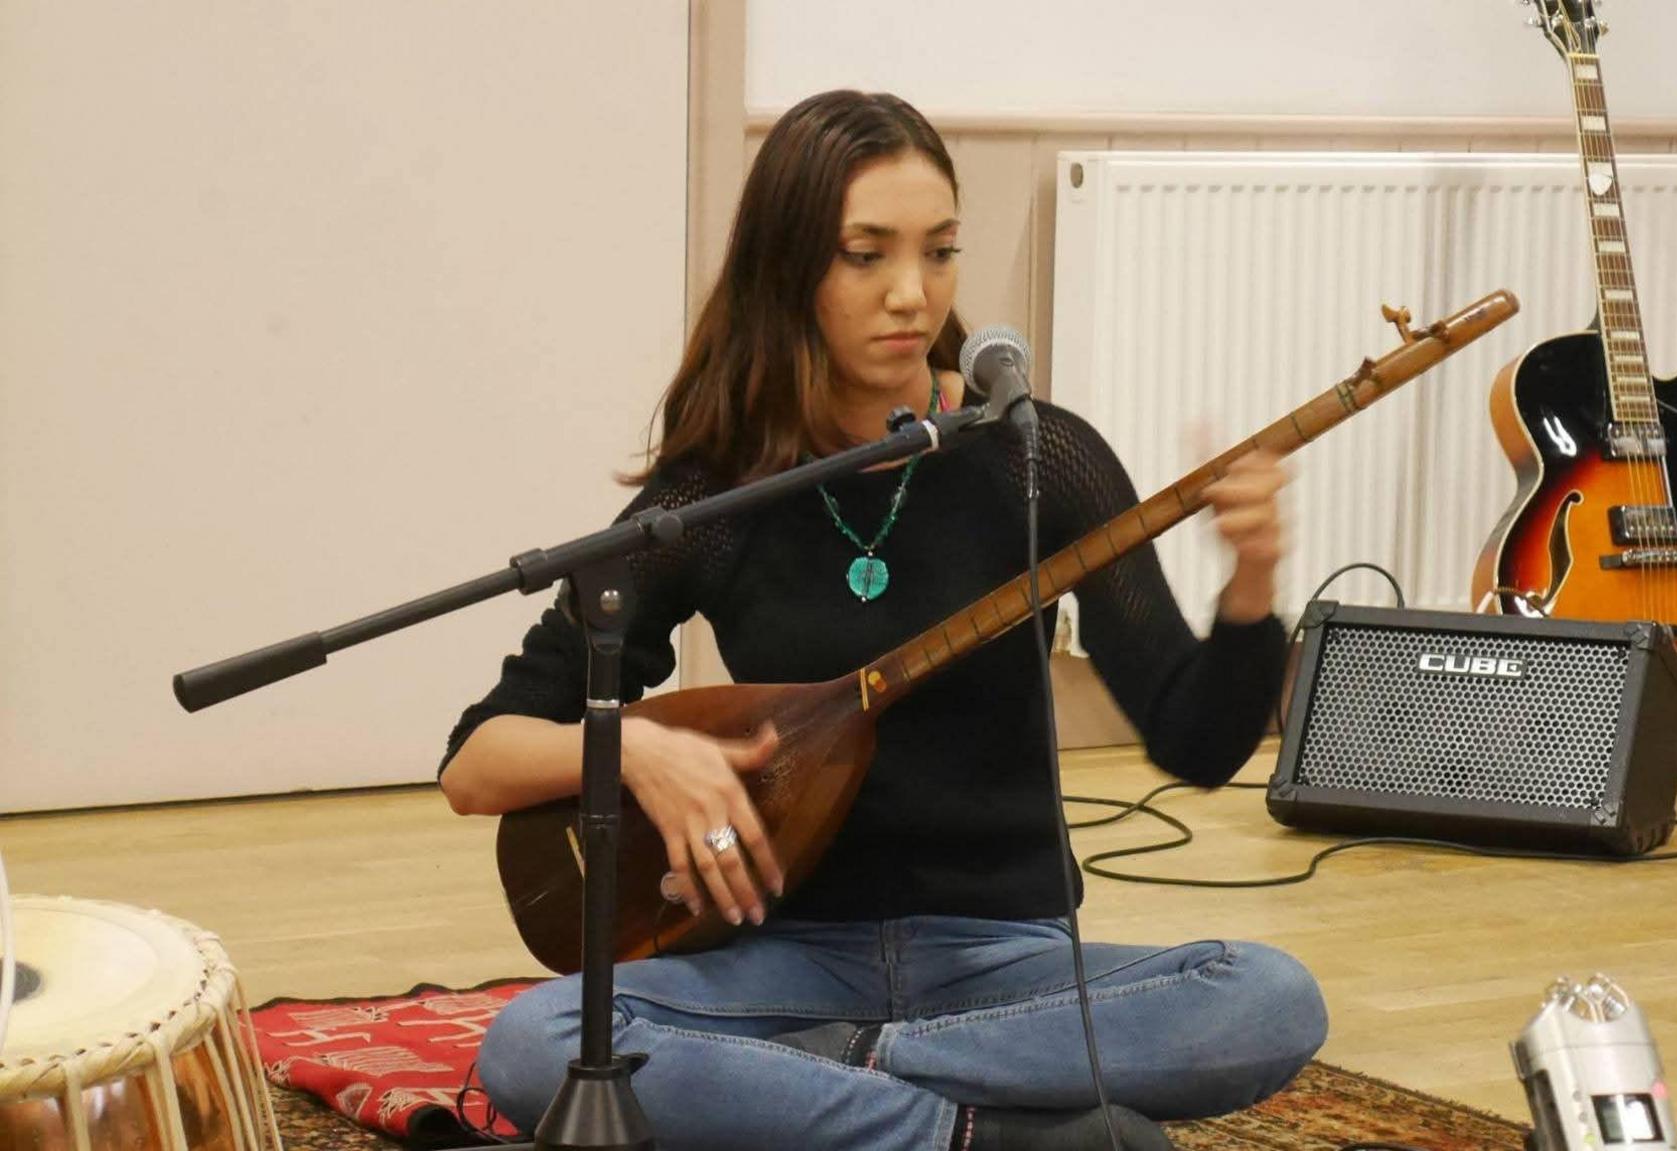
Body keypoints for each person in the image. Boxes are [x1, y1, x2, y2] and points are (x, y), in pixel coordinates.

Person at [438, 89, 1327, 1151]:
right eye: (866, 254)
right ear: (789, 268)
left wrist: (1249, 587)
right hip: (781, 958)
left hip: (1004, 962)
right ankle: (988, 1132)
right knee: (535, 1043)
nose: (912, 293)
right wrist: (638, 746)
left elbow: (1196, 742)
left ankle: (841, 1078)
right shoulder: (713, 502)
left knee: (1268, 996)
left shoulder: (1032, 456)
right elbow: (477, 762)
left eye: (939, 251)